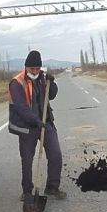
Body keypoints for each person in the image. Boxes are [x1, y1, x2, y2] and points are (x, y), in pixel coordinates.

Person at [8, 50, 66, 201]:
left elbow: (51, 95)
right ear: (26, 67)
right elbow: (21, 107)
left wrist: (52, 83)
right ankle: (27, 191)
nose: (34, 71)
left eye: (37, 68)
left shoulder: (43, 79)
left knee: (55, 154)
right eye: (31, 68)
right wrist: (36, 121)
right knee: (27, 160)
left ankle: (52, 187)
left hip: (45, 122)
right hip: (27, 126)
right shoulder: (17, 83)